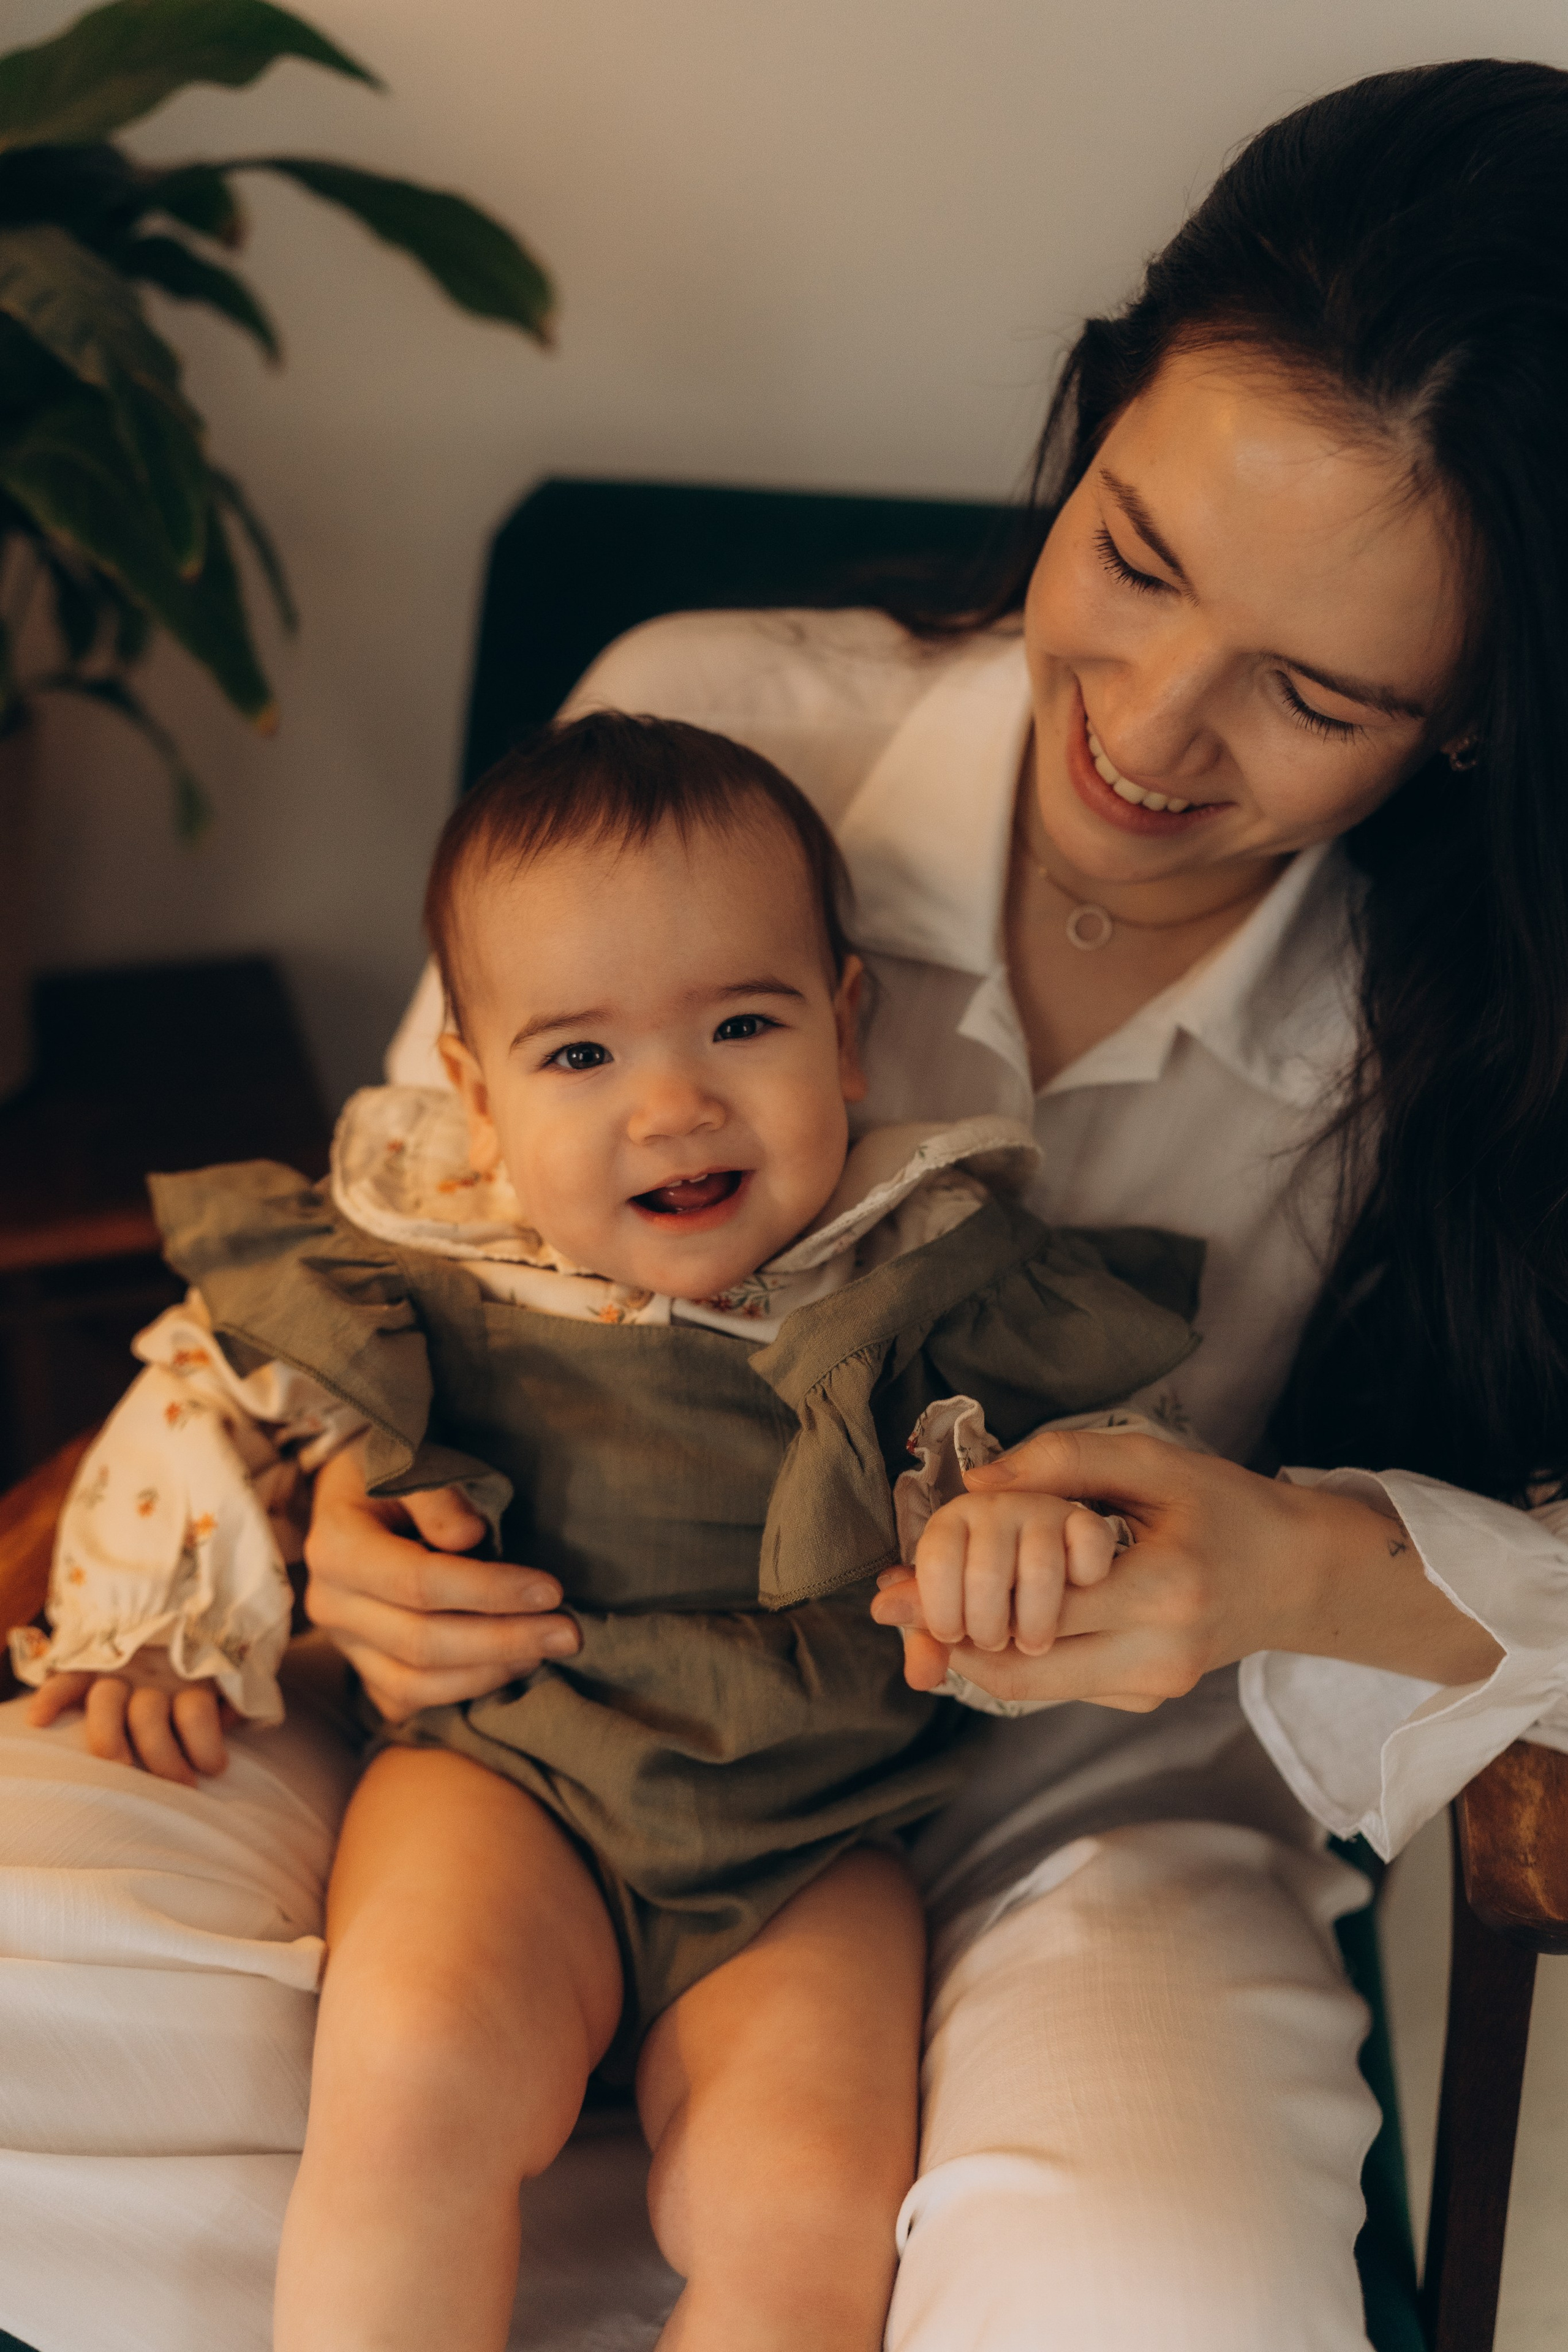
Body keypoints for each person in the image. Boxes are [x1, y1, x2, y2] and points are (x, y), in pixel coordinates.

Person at [7, 53, 1568, 2352]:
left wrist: (1302, 1562)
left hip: (1055, 1810)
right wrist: (339, 1539)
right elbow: (403, 1244)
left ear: (1473, 723)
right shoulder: (707, 722)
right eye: (1131, 555)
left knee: (1156, 2301)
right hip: (501, 1713)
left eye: (1317, 691)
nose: (1146, 725)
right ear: (1090, 408)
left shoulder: (1476, 1048)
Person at [17, 712, 1203, 2352]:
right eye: (579, 1056)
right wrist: (154, 1616)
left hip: (815, 1835)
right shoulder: (437, 1260)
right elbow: (217, 1383)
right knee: (411, 2092)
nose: (673, 1107)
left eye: (741, 1022)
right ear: (475, 1090)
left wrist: (1036, 1534)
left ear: (846, 1031)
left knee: (805, 2213)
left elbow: (1102, 1467)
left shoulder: (924, 1272)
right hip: (505, 1781)